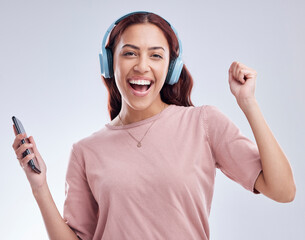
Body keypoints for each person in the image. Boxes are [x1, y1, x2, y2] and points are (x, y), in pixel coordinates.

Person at [12, 11, 296, 240]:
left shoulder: (203, 123)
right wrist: (39, 187)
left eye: (156, 55)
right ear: (110, 63)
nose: (142, 66)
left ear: (171, 67)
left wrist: (248, 103)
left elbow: (283, 191)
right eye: (130, 53)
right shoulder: (86, 151)